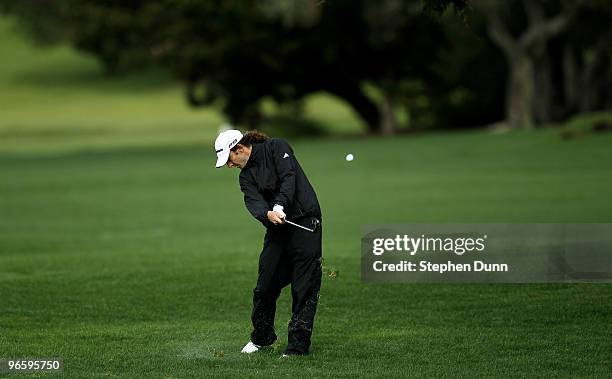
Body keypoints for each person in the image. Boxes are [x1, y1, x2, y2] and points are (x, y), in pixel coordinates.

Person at [214, 129, 323, 357]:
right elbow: (253, 202)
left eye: (230, 159)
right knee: (264, 286)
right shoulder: (245, 177)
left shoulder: (277, 147)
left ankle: (297, 347)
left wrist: (279, 206)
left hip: (305, 223)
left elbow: (288, 177)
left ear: (240, 149)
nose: (229, 166)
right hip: (277, 230)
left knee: (304, 287)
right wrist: (267, 214)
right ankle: (262, 338)